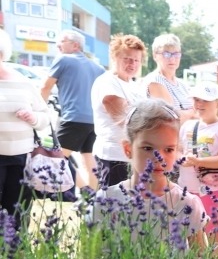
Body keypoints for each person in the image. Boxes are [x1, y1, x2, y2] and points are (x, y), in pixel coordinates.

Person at [89, 99, 207, 248]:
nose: (159, 157)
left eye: (169, 149)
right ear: (128, 149)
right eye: (147, 148)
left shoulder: (187, 204)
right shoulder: (106, 200)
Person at [40, 29, 105, 190]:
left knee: (56, 159)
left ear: (75, 45)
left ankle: (85, 191)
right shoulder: (99, 69)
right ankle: (98, 199)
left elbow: (45, 87)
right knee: (89, 159)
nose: (58, 46)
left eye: (61, 42)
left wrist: (39, 112)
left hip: (73, 118)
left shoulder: (63, 59)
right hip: (94, 122)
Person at [0, 29, 50, 232]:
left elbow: (45, 117)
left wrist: (34, 117)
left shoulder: (23, 82)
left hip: (21, 157)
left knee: (17, 211)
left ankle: (15, 255)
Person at [178, 82, 218, 243]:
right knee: (189, 232)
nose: (199, 104)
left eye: (205, 100)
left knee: (212, 230)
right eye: (197, 99)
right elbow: (177, 150)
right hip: (186, 188)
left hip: (212, 191)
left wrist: (198, 161)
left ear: (217, 103)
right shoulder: (187, 126)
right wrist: (181, 159)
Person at [91, 34, 148, 188]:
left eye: (136, 60)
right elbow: (125, 117)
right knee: (113, 206)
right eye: (127, 59)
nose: (132, 64)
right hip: (113, 156)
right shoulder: (107, 82)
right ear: (115, 57)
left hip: (132, 156)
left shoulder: (134, 85)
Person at [144, 34, 196, 123]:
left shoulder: (183, 84)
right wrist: (193, 112)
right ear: (155, 55)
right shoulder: (154, 81)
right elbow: (171, 118)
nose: (172, 59)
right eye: (166, 54)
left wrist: (185, 114)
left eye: (176, 54)